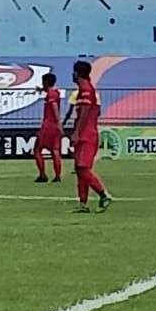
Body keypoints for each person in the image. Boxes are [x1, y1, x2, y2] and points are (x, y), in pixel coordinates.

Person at [64, 60, 111, 213]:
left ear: (77, 73)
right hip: (87, 133)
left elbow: (84, 113)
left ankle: (103, 194)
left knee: (83, 169)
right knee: (79, 170)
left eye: (74, 71)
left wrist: (77, 132)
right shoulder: (88, 90)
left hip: (86, 135)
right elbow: (95, 112)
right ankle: (83, 204)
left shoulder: (85, 89)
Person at [33, 72, 63, 183]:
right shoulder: (55, 92)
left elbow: (54, 107)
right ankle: (58, 176)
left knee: (37, 150)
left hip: (48, 125)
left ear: (46, 82)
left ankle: (42, 175)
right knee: (55, 150)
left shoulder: (51, 95)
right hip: (54, 126)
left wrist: (58, 121)